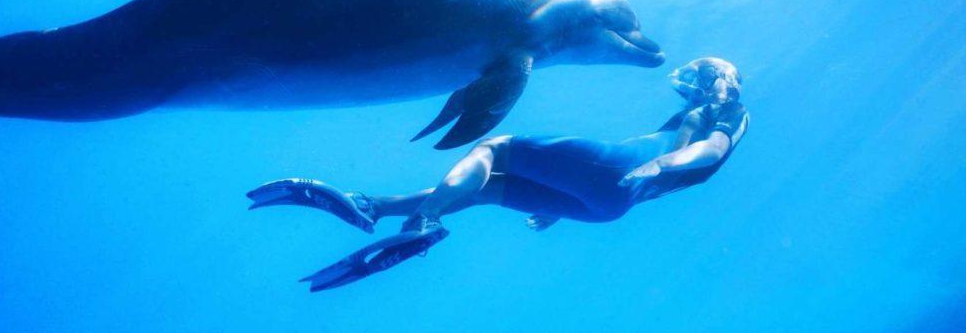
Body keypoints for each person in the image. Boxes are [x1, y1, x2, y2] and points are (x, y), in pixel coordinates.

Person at [248, 57, 750, 292]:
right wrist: (562, 208)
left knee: (495, 147)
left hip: (618, 170)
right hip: (608, 207)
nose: (688, 90)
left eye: (697, 81)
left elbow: (711, 151)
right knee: (489, 192)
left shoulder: (726, 110)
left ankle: (422, 222)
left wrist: (665, 161)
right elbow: (689, 165)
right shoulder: (710, 115)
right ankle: (374, 207)